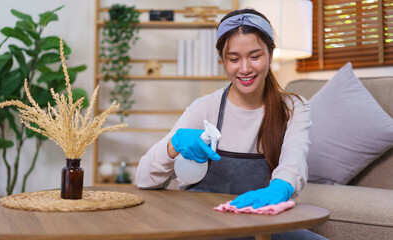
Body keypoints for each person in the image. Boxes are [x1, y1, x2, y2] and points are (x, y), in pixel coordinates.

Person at [136, 8, 327, 240]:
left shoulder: (294, 108)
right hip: (202, 225)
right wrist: (172, 146)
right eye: (234, 59)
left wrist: (282, 187)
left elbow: (293, 162)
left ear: (271, 53)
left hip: (260, 223)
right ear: (222, 60)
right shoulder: (205, 107)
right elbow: (144, 179)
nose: (245, 69)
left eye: (255, 56)